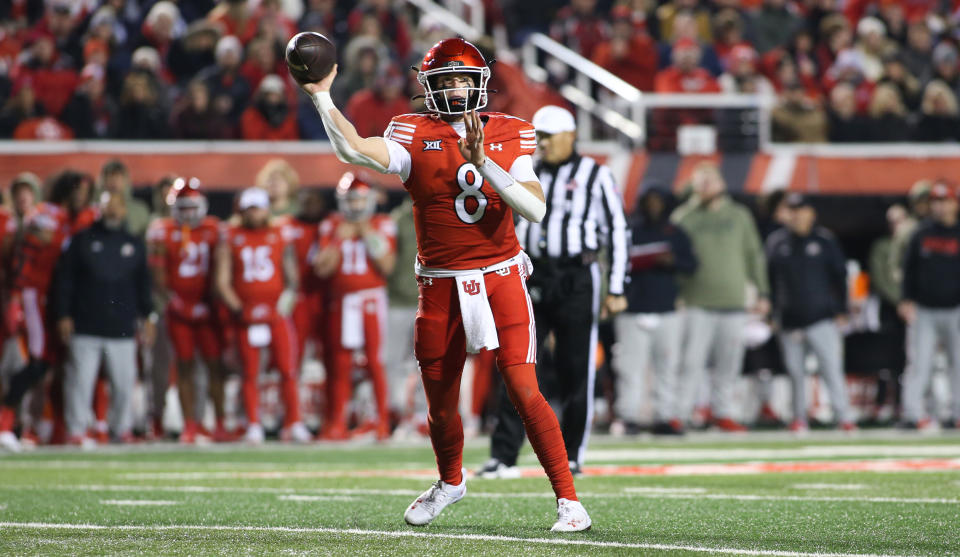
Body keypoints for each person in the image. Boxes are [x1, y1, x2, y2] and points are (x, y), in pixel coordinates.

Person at [301, 37, 590, 531]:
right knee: (439, 400)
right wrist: (322, 95)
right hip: (439, 283)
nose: (456, 88)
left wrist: (484, 163)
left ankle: (569, 500)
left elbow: (536, 209)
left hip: (501, 276)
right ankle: (450, 481)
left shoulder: (510, 131)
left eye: (463, 79)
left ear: (481, 83)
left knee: (524, 388)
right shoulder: (413, 133)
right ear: (429, 87)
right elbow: (353, 148)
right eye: (446, 80)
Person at [481, 105, 628, 477]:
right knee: (516, 363)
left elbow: (618, 230)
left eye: (549, 137)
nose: (542, 144)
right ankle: (504, 455)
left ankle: (573, 453)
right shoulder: (526, 168)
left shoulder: (596, 174)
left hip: (578, 274)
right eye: (539, 137)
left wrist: (616, 286)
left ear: (570, 135)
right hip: (531, 274)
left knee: (577, 365)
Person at [0, 171, 96, 451]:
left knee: (53, 362)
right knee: (37, 361)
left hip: (55, 299)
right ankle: (5, 423)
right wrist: (16, 296)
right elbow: (24, 257)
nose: (83, 197)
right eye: (78, 191)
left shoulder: (74, 218)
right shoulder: (46, 215)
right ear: (68, 191)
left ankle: (53, 429)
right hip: (35, 295)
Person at [671, 162, 769, 431]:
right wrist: (675, 293)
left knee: (730, 363)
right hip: (695, 301)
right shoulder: (683, 217)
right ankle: (680, 413)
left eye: (709, 181)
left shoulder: (739, 215)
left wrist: (762, 291)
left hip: (734, 301)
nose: (705, 187)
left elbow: (754, 255)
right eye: (700, 182)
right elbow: (673, 260)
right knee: (691, 363)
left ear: (721, 184)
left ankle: (723, 412)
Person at [56, 191, 156, 446]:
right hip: (86, 324)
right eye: (107, 205)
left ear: (125, 210)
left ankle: (120, 428)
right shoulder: (81, 240)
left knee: (124, 385)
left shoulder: (134, 243)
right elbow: (65, 281)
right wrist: (63, 314)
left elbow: (144, 284)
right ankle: (76, 430)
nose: (112, 210)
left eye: (117, 205)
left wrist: (149, 315)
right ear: (98, 208)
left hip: (121, 326)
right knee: (80, 384)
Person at [214, 187, 310, 444]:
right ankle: (253, 424)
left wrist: (283, 307)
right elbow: (222, 281)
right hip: (246, 315)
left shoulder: (279, 233)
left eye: (258, 207)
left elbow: (292, 279)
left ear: (267, 208)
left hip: (276, 313)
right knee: (250, 372)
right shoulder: (231, 235)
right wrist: (238, 308)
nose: (254, 213)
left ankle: (293, 422)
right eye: (249, 208)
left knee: (288, 369)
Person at [313, 173, 395, 440]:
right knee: (340, 362)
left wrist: (367, 234)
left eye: (360, 200)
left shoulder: (382, 223)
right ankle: (337, 422)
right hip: (342, 301)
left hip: (371, 298)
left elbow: (387, 266)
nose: (356, 206)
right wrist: (339, 239)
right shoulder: (331, 225)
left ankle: (382, 421)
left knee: (374, 362)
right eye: (351, 200)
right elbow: (322, 269)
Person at [146, 178, 229, 443]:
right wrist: (176, 302)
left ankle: (220, 423)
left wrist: (212, 303)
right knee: (184, 366)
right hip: (179, 309)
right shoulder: (161, 230)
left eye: (193, 207)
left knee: (216, 366)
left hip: (209, 310)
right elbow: (158, 276)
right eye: (183, 208)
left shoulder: (215, 229)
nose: (188, 213)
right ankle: (190, 424)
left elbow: (223, 270)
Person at [765, 194, 855, 433]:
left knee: (831, 368)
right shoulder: (776, 242)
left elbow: (840, 277)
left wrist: (842, 309)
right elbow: (770, 282)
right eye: (792, 210)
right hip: (789, 319)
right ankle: (799, 417)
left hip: (822, 317)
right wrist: (772, 314)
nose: (796, 215)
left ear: (811, 213)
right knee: (795, 372)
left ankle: (843, 416)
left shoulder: (825, 241)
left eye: (801, 209)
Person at [612, 187, 696, 436]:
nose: (654, 206)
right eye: (649, 201)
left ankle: (665, 416)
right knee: (630, 368)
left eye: (658, 201)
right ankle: (628, 416)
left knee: (667, 367)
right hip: (634, 309)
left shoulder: (676, 232)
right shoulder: (631, 230)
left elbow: (692, 265)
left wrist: (673, 262)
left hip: (666, 308)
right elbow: (617, 261)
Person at [898, 183, 960, 430]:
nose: (941, 206)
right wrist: (905, 299)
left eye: (946, 201)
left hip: (956, 308)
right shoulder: (921, 233)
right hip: (924, 309)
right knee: (919, 363)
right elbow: (908, 269)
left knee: (959, 363)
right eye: (937, 201)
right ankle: (912, 414)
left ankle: (956, 414)